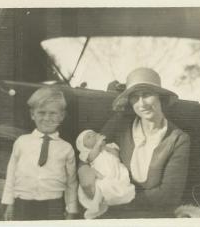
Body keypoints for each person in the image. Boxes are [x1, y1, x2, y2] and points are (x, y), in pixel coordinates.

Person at [78, 68, 191, 218]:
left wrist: (115, 198)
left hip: (151, 216)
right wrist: (83, 170)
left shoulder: (178, 139)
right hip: (108, 209)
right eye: (135, 97)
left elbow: (168, 196)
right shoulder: (120, 124)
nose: (141, 103)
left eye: (147, 95)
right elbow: (88, 148)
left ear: (160, 97)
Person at [2, 87, 78, 220]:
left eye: (53, 113)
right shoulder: (21, 142)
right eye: (41, 112)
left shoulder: (66, 148)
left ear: (62, 116)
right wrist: (9, 203)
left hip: (53, 205)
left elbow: (71, 183)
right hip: (23, 204)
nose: (47, 118)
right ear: (32, 114)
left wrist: (71, 210)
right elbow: (11, 174)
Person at [76, 130, 135, 219]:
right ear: (84, 147)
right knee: (101, 185)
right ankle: (97, 206)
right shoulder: (88, 153)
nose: (92, 136)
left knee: (120, 184)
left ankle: (116, 198)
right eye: (88, 137)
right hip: (102, 172)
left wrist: (105, 148)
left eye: (94, 134)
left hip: (115, 169)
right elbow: (91, 158)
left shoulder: (109, 146)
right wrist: (98, 145)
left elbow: (116, 155)